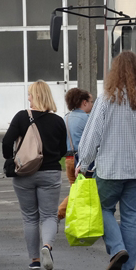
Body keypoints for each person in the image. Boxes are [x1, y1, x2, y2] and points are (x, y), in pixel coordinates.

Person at [77, 51, 136, 270]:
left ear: (115, 72)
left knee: (102, 208)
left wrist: (83, 162)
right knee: (131, 218)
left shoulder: (107, 98)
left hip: (112, 167)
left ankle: (116, 249)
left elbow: (93, 132)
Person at [2, 80, 67, 270]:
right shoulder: (58, 121)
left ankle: (34, 260)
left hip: (24, 173)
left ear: (35, 96)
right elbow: (63, 149)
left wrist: (10, 159)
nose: (28, 98)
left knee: (30, 217)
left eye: (30, 94)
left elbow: (7, 141)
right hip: (50, 172)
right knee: (48, 215)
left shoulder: (22, 117)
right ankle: (47, 246)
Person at [57, 88, 94, 221]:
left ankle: (80, 219)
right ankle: (58, 213)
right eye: (91, 101)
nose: (92, 104)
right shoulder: (88, 119)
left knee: (76, 188)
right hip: (83, 160)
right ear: (84, 102)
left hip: (68, 158)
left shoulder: (66, 118)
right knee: (81, 191)